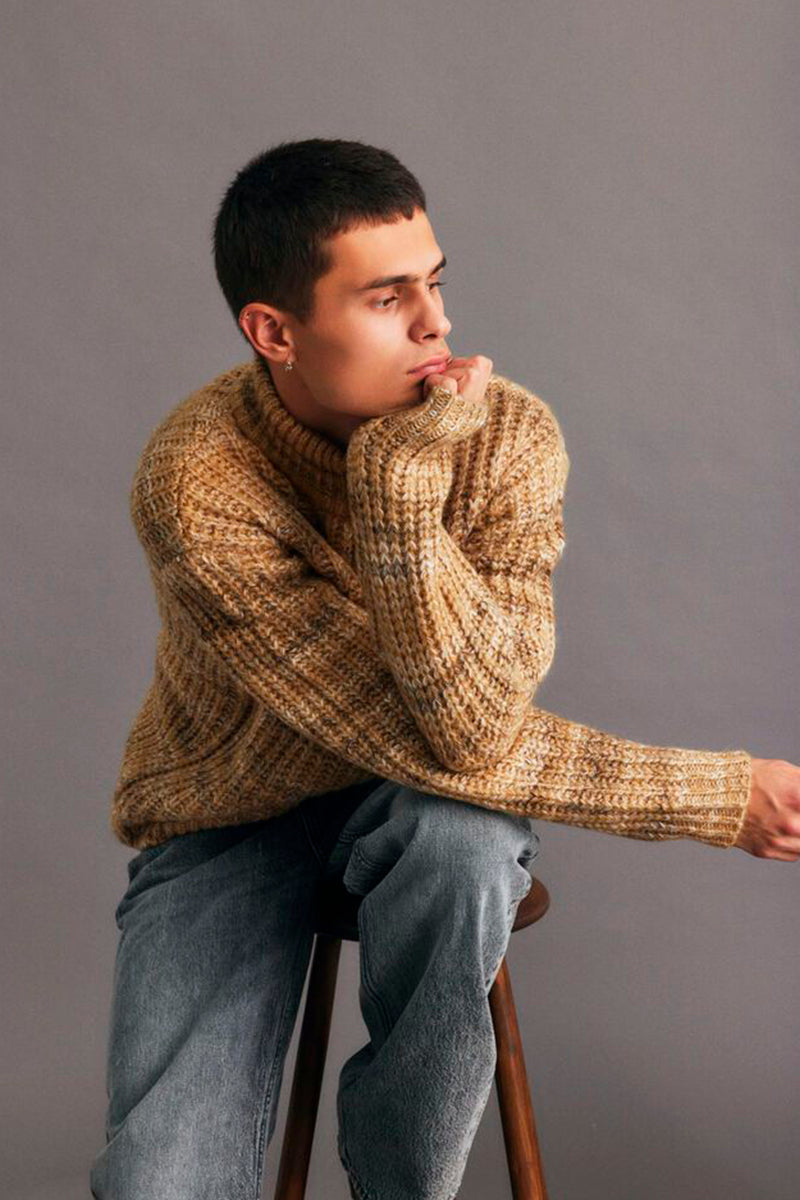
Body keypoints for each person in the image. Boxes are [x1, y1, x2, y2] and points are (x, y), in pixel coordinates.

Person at [90, 137, 800, 1200]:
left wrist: (404, 482)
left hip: (426, 804)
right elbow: (415, 725)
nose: (435, 325)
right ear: (274, 332)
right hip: (228, 818)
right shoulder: (196, 482)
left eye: (434, 283)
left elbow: (471, 728)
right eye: (387, 299)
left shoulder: (507, 437)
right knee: (159, 1185)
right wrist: (715, 795)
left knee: (461, 842)